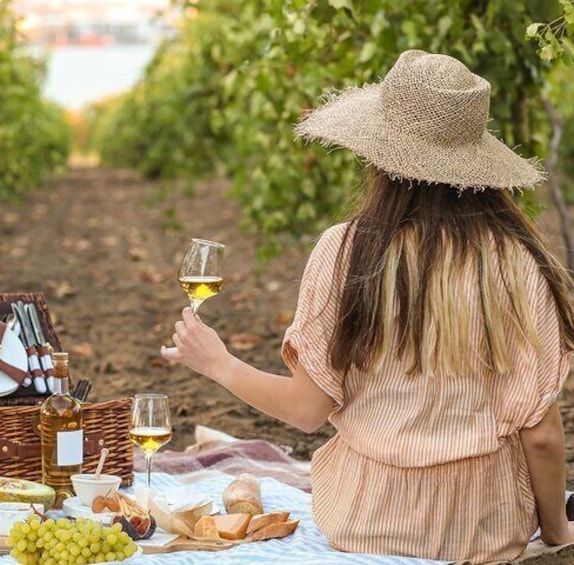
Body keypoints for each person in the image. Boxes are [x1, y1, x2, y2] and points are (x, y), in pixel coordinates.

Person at [160, 49, 574, 563]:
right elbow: (542, 436)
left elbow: (307, 411)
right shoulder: (515, 263)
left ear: (381, 154)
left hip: (365, 520)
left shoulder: (345, 251)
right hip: (482, 529)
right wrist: (556, 533)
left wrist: (218, 363)